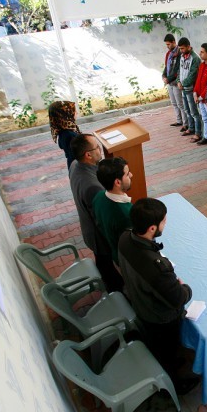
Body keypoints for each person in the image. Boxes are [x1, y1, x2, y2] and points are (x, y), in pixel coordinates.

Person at [117, 198, 199, 394]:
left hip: (139, 302)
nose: (166, 223)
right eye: (164, 221)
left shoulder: (125, 238)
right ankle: (174, 385)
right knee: (167, 351)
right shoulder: (156, 268)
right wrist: (185, 288)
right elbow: (178, 298)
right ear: (152, 228)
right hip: (159, 318)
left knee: (161, 346)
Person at [68, 134, 123, 292]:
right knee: (107, 267)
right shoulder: (93, 186)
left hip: (88, 229)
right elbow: (101, 219)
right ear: (88, 155)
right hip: (98, 237)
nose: (100, 150)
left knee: (104, 264)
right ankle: (115, 294)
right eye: (97, 147)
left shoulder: (75, 165)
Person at [92, 157, 133, 266]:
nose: (131, 175)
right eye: (127, 174)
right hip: (126, 260)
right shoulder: (126, 214)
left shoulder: (98, 196)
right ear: (118, 182)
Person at [177, 38, 201, 139]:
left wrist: (182, 84)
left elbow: (193, 75)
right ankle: (191, 128)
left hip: (191, 89)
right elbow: (179, 70)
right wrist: (178, 81)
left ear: (188, 46)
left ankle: (198, 132)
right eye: (180, 49)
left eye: (182, 48)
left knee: (194, 112)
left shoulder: (195, 58)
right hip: (183, 88)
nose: (181, 50)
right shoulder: (182, 56)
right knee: (187, 110)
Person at [48, 101, 80, 170]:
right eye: (74, 111)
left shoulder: (64, 131)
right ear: (65, 115)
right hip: (78, 167)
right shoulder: (69, 134)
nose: (76, 113)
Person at [193, 43, 207, 146]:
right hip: (200, 98)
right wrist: (195, 93)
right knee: (204, 118)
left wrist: (201, 96)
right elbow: (198, 80)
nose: (200, 53)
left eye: (202, 52)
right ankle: (206, 136)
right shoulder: (202, 65)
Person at [162, 34, 185, 128]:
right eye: (166, 45)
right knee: (174, 103)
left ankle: (185, 123)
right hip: (169, 82)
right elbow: (166, 66)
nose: (167, 46)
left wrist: (168, 79)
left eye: (168, 44)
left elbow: (177, 69)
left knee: (180, 104)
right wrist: (163, 76)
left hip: (176, 82)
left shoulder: (179, 52)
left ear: (173, 42)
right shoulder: (169, 53)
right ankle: (179, 120)